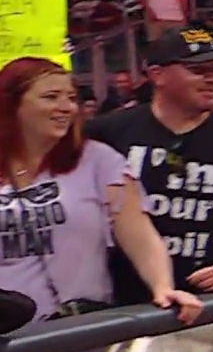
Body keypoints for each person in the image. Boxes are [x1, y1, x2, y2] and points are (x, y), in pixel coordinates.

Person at [86, 27, 213, 297]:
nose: (212, 80)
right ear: (157, 75)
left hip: (210, 303)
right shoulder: (108, 132)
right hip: (118, 300)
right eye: (198, 70)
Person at [0, 57, 200, 323]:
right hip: (9, 334)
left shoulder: (98, 160)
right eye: (51, 97)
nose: (66, 107)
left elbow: (140, 235)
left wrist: (163, 287)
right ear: (12, 104)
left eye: (71, 98)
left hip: (80, 326)